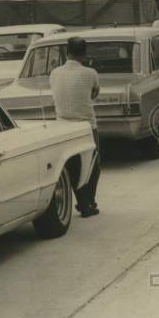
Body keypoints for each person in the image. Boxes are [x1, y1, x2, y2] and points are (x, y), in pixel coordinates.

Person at [49, 37, 101, 217]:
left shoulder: (54, 73)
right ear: (85, 54)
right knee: (92, 164)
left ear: (67, 52)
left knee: (72, 165)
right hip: (86, 125)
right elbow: (94, 93)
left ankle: (81, 202)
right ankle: (88, 203)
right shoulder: (91, 73)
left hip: (62, 125)